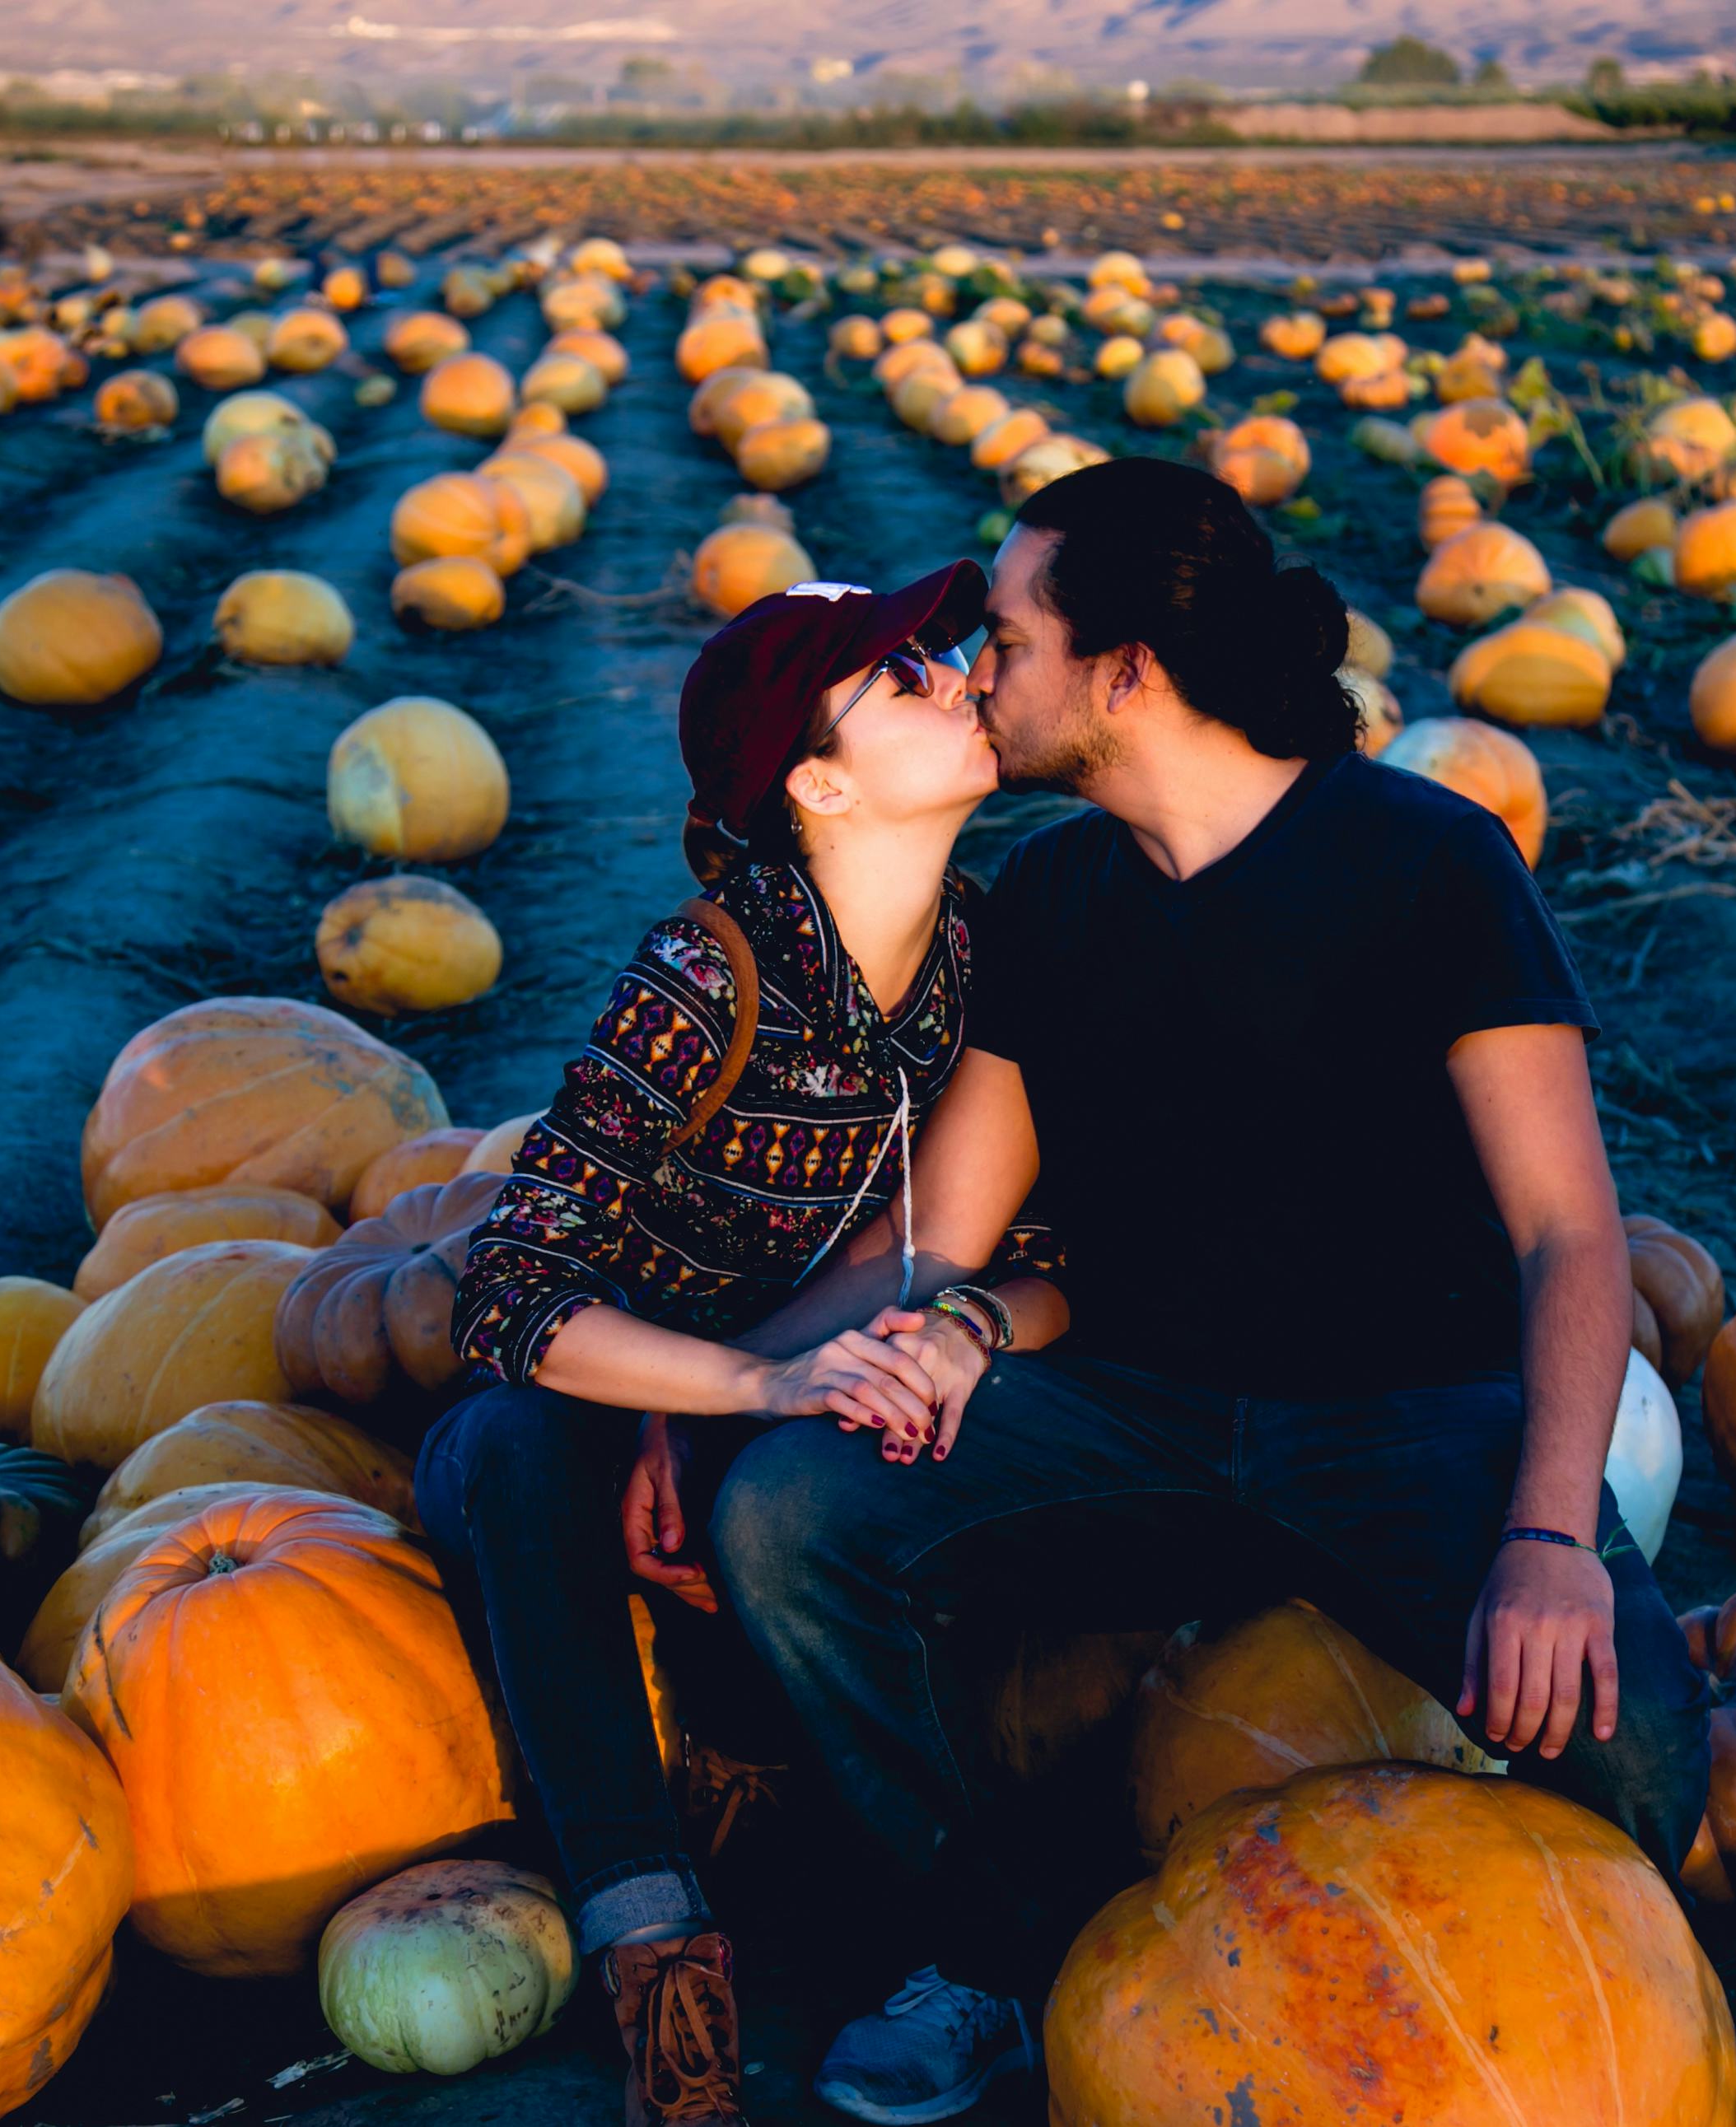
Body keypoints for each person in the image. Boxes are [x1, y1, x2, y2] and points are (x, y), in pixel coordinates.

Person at [693, 460, 1736, 2127]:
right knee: (787, 1515)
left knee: (1634, 1725)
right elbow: (937, 1239)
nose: (976, 670)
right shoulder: (1056, 905)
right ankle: (993, 1953)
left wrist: (1540, 1540)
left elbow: (1568, 1238)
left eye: (1006, 636)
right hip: (1133, 1411)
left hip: (1408, 1416)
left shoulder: (1422, 860)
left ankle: (1652, 2002)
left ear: (1125, 669)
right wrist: (708, 1393)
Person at [424, 561, 1070, 2127]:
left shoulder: (998, 961)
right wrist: (731, 1387)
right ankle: (657, 1965)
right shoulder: (706, 975)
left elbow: (1054, 1260)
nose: (954, 674)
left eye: (939, 652)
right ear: (818, 783)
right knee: (505, 1453)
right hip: (614, 1401)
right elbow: (508, 1290)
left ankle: (845, 1873)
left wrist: (958, 1330)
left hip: (794, 1419)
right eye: (900, 677)